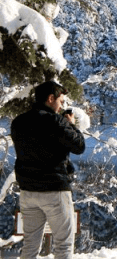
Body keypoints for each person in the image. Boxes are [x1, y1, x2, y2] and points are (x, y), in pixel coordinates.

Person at [10, 81, 86, 259]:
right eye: (60, 100)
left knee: (30, 245)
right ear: (50, 98)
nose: (62, 105)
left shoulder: (18, 122)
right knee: (64, 246)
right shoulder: (55, 121)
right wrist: (71, 125)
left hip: (28, 192)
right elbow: (79, 146)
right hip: (54, 190)